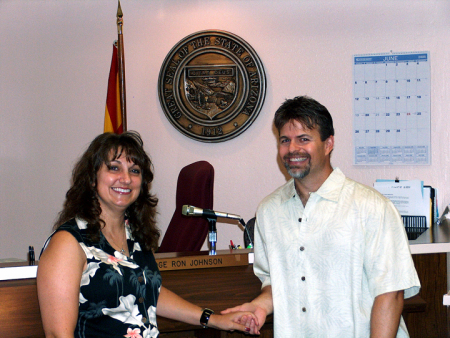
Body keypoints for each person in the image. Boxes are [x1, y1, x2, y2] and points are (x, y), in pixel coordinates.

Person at [223, 96, 421, 337]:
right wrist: (261, 305)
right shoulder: (268, 210)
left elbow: (390, 293)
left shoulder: (372, 207)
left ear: (328, 144)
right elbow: (275, 282)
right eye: (285, 140)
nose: (292, 149)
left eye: (304, 139)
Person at [37, 131, 257, 338]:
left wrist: (214, 319)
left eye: (134, 171)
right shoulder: (68, 242)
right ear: (92, 179)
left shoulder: (134, 236)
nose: (125, 179)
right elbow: (58, 334)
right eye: (114, 168)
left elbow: (150, 292)